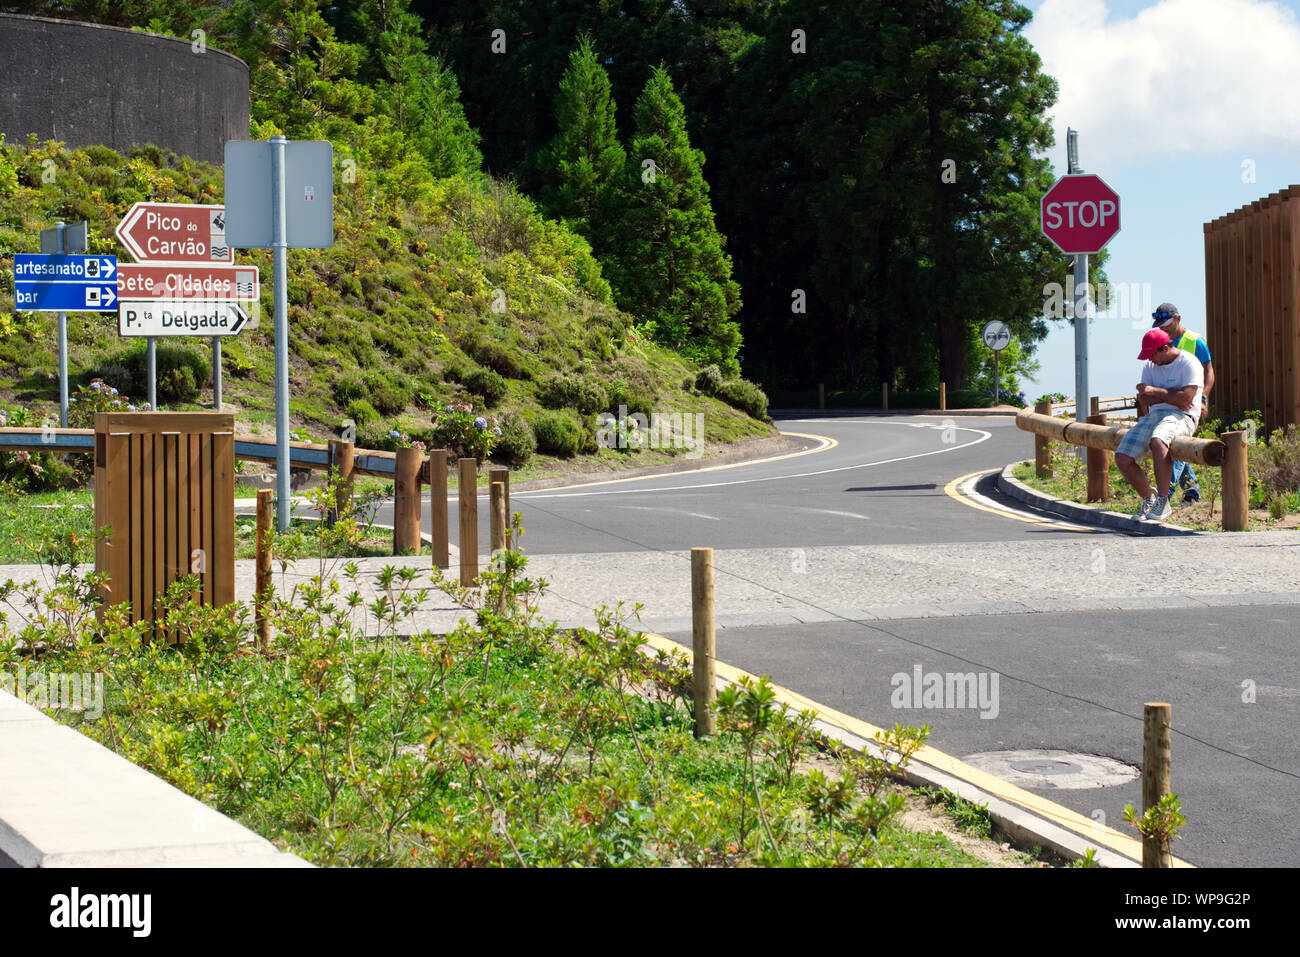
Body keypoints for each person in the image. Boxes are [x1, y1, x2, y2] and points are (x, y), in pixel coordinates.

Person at [1114, 327, 1204, 522]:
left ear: (1164, 348)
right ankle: (1149, 498)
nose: (1149, 360)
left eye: (1151, 354)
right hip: (1155, 416)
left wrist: (1155, 391)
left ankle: (1163, 502)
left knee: (1158, 441)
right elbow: (1144, 400)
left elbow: (1186, 401)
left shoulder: (1189, 363)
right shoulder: (1150, 366)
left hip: (1183, 416)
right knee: (1122, 457)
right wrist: (1169, 395)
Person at [1150, 303, 1213, 502]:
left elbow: (1209, 372)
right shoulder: (1161, 341)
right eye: (1160, 325)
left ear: (1178, 319)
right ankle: (1192, 491)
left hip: (1188, 404)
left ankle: (1165, 493)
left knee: (1172, 444)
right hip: (1168, 402)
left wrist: (1203, 398)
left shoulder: (1195, 341)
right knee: (1177, 445)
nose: (1163, 329)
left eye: (1167, 324)